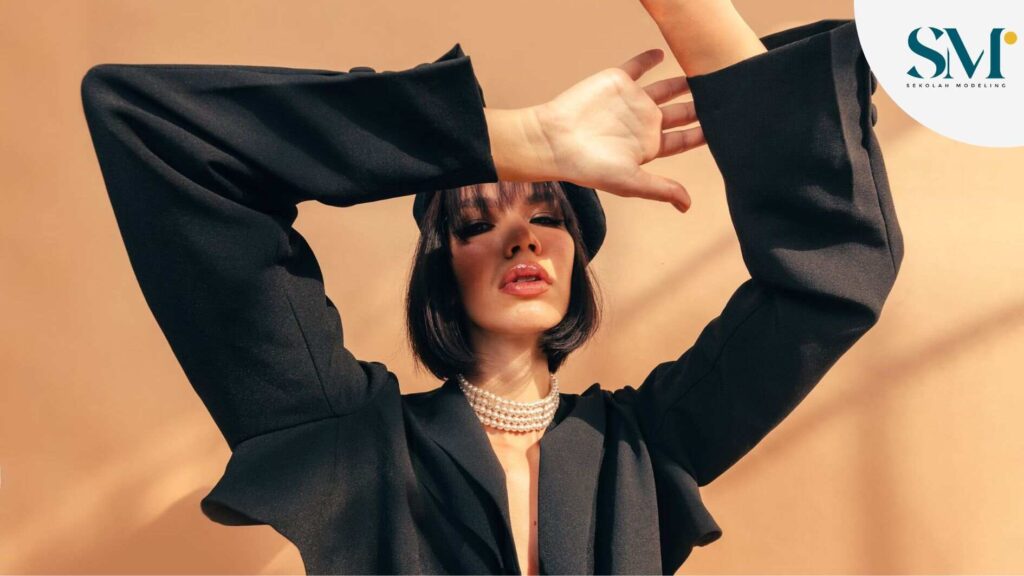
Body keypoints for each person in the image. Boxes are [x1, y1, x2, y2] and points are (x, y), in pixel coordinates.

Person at [80, 0, 903, 573]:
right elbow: (150, 129)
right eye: (475, 223)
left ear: (577, 260)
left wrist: (688, 10)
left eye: (548, 215)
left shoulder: (647, 447)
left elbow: (838, 268)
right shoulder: (350, 441)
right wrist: (521, 138)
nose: (520, 233)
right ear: (443, 268)